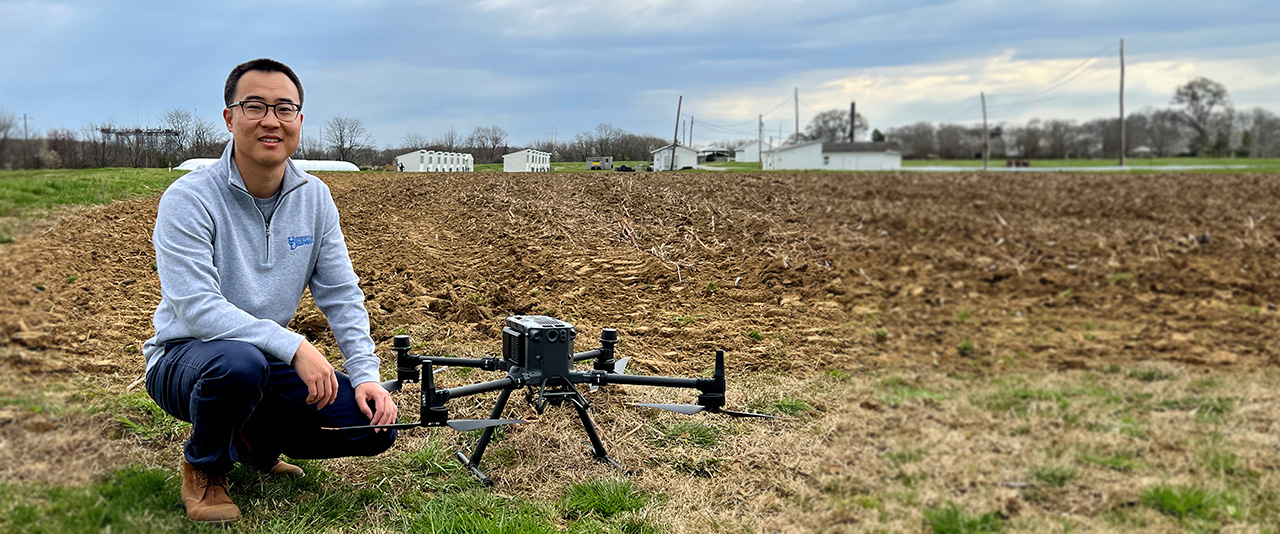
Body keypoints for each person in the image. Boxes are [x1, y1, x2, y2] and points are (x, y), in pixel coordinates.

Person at [142, 58, 398, 525]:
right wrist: (294, 344)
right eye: (254, 106)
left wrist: (365, 375)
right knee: (239, 364)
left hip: (263, 360)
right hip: (186, 358)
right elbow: (198, 309)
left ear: (299, 120)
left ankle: (254, 442)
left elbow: (341, 293)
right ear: (230, 117)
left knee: (374, 429)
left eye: (284, 108)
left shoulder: (315, 196)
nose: (270, 121)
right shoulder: (190, 197)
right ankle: (205, 467)